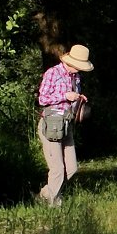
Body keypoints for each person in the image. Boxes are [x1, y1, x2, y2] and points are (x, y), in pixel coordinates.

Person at [37, 44, 93, 206]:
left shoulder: (76, 77)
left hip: (66, 124)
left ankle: (45, 193)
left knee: (71, 169)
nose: (80, 70)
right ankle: (54, 204)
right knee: (57, 169)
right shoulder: (53, 73)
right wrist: (65, 96)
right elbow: (43, 99)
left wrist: (78, 99)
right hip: (51, 125)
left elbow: (71, 100)